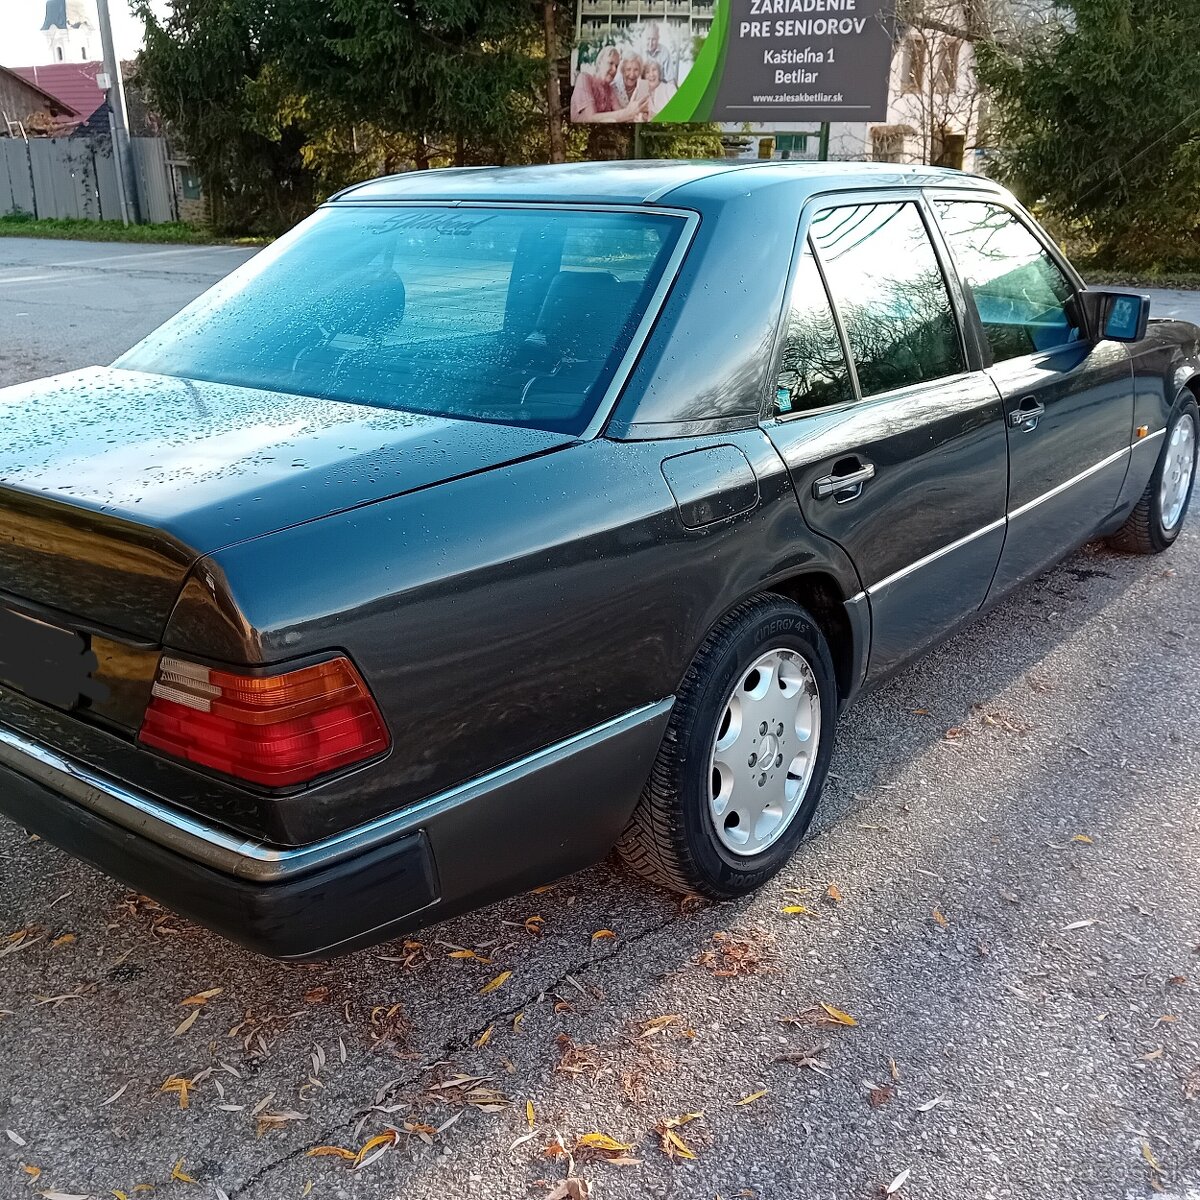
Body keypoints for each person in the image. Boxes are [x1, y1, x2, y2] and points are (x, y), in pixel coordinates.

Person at [570, 46, 649, 122]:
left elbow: (621, 112)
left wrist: (638, 117)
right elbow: (590, 118)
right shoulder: (584, 78)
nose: (614, 69)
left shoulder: (609, 88)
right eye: (610, 63)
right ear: (600, 62)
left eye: (616, 66)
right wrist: (628, 112)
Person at [642, 22, 676, 86]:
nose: (650, 43)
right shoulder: (640, 51)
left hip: (660, 86)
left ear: (658, 38)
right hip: (644, 87)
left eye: (653, 39)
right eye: (648, 39)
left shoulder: (665, 52)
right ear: (645, 37)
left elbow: (670, 79)